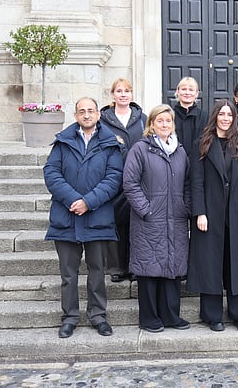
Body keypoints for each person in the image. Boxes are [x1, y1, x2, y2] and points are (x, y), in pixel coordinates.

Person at [43, 97, 123, 339]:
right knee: (68, 274)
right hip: (65, 218)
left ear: (98, 114)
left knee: (97, 271)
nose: (86, 115)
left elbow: (114, 178)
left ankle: (98, 316)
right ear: (76, 116)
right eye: (81, 111)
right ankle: (70, 317)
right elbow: (51, 172)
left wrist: (88, 202)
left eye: (90, 111)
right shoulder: (62, 142)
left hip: (98, 217)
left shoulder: (110, 143)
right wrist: (72, 199)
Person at [187, 100, 238, 332]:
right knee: (210, 264)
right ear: (215, 117)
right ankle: (212, 316)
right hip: (210, 213)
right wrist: (199, 212)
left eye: (230, 115)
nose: (226, 118)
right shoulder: (202, 144)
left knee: (237, 264)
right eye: (222, 114)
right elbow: (196, 182)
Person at [123, 104, 191, 333]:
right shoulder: (140, 149)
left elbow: (188, 183)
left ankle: (171, 315)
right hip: (149, 220)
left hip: (176, 218)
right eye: (159, 121)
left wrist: (185, 207)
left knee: (172, 267)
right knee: (149, 268)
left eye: (168, 121)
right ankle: (149, 318)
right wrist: (146, 209)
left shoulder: (180, 151)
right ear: (151, 124)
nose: (164, 125)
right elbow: (130, 183)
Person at [99, 78, 147, 283]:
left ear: (131, 94)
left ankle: (136, 265)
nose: (123, 94)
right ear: (113, 94)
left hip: (139, 177)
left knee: (137, 222)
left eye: (126, 91)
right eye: (119, 91)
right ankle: (117, 266)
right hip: (113, 175)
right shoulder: (103, 120)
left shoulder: (142, 118)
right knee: (116, 221)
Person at [171, 76, 208, 157]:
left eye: (191, 90)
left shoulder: (205, 117)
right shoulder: (169, 116)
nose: (187, 93)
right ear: (178, 91)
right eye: (183, 89)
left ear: (196, 93)